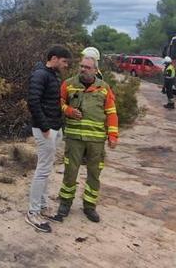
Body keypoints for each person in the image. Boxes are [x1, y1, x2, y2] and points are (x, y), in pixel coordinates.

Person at [53, 55, 118, 223]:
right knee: (70, 171)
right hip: (74, 138)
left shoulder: (104, 88)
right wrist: (68, 111)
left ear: (95, 70)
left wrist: (113, 135)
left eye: (87, 67)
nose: (83, 69)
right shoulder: (68, 84)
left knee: (94, 173)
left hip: (96, 140)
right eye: (81, 66)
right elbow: (58, 103)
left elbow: (111, 112)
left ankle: (89, 206)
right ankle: (65, 203)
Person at [25, 44, 72, 233]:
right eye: (64, 61)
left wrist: (58, 127)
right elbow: (33, 102)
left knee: (46, 169)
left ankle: (43, 207)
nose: (66, 65)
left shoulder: (52, 75)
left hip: (54, 127)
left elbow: (52, 101)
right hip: (45, 129)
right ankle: (33, 212)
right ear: (54, 58)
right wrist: (45, 126)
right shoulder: (40, 74)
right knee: (42, 171)